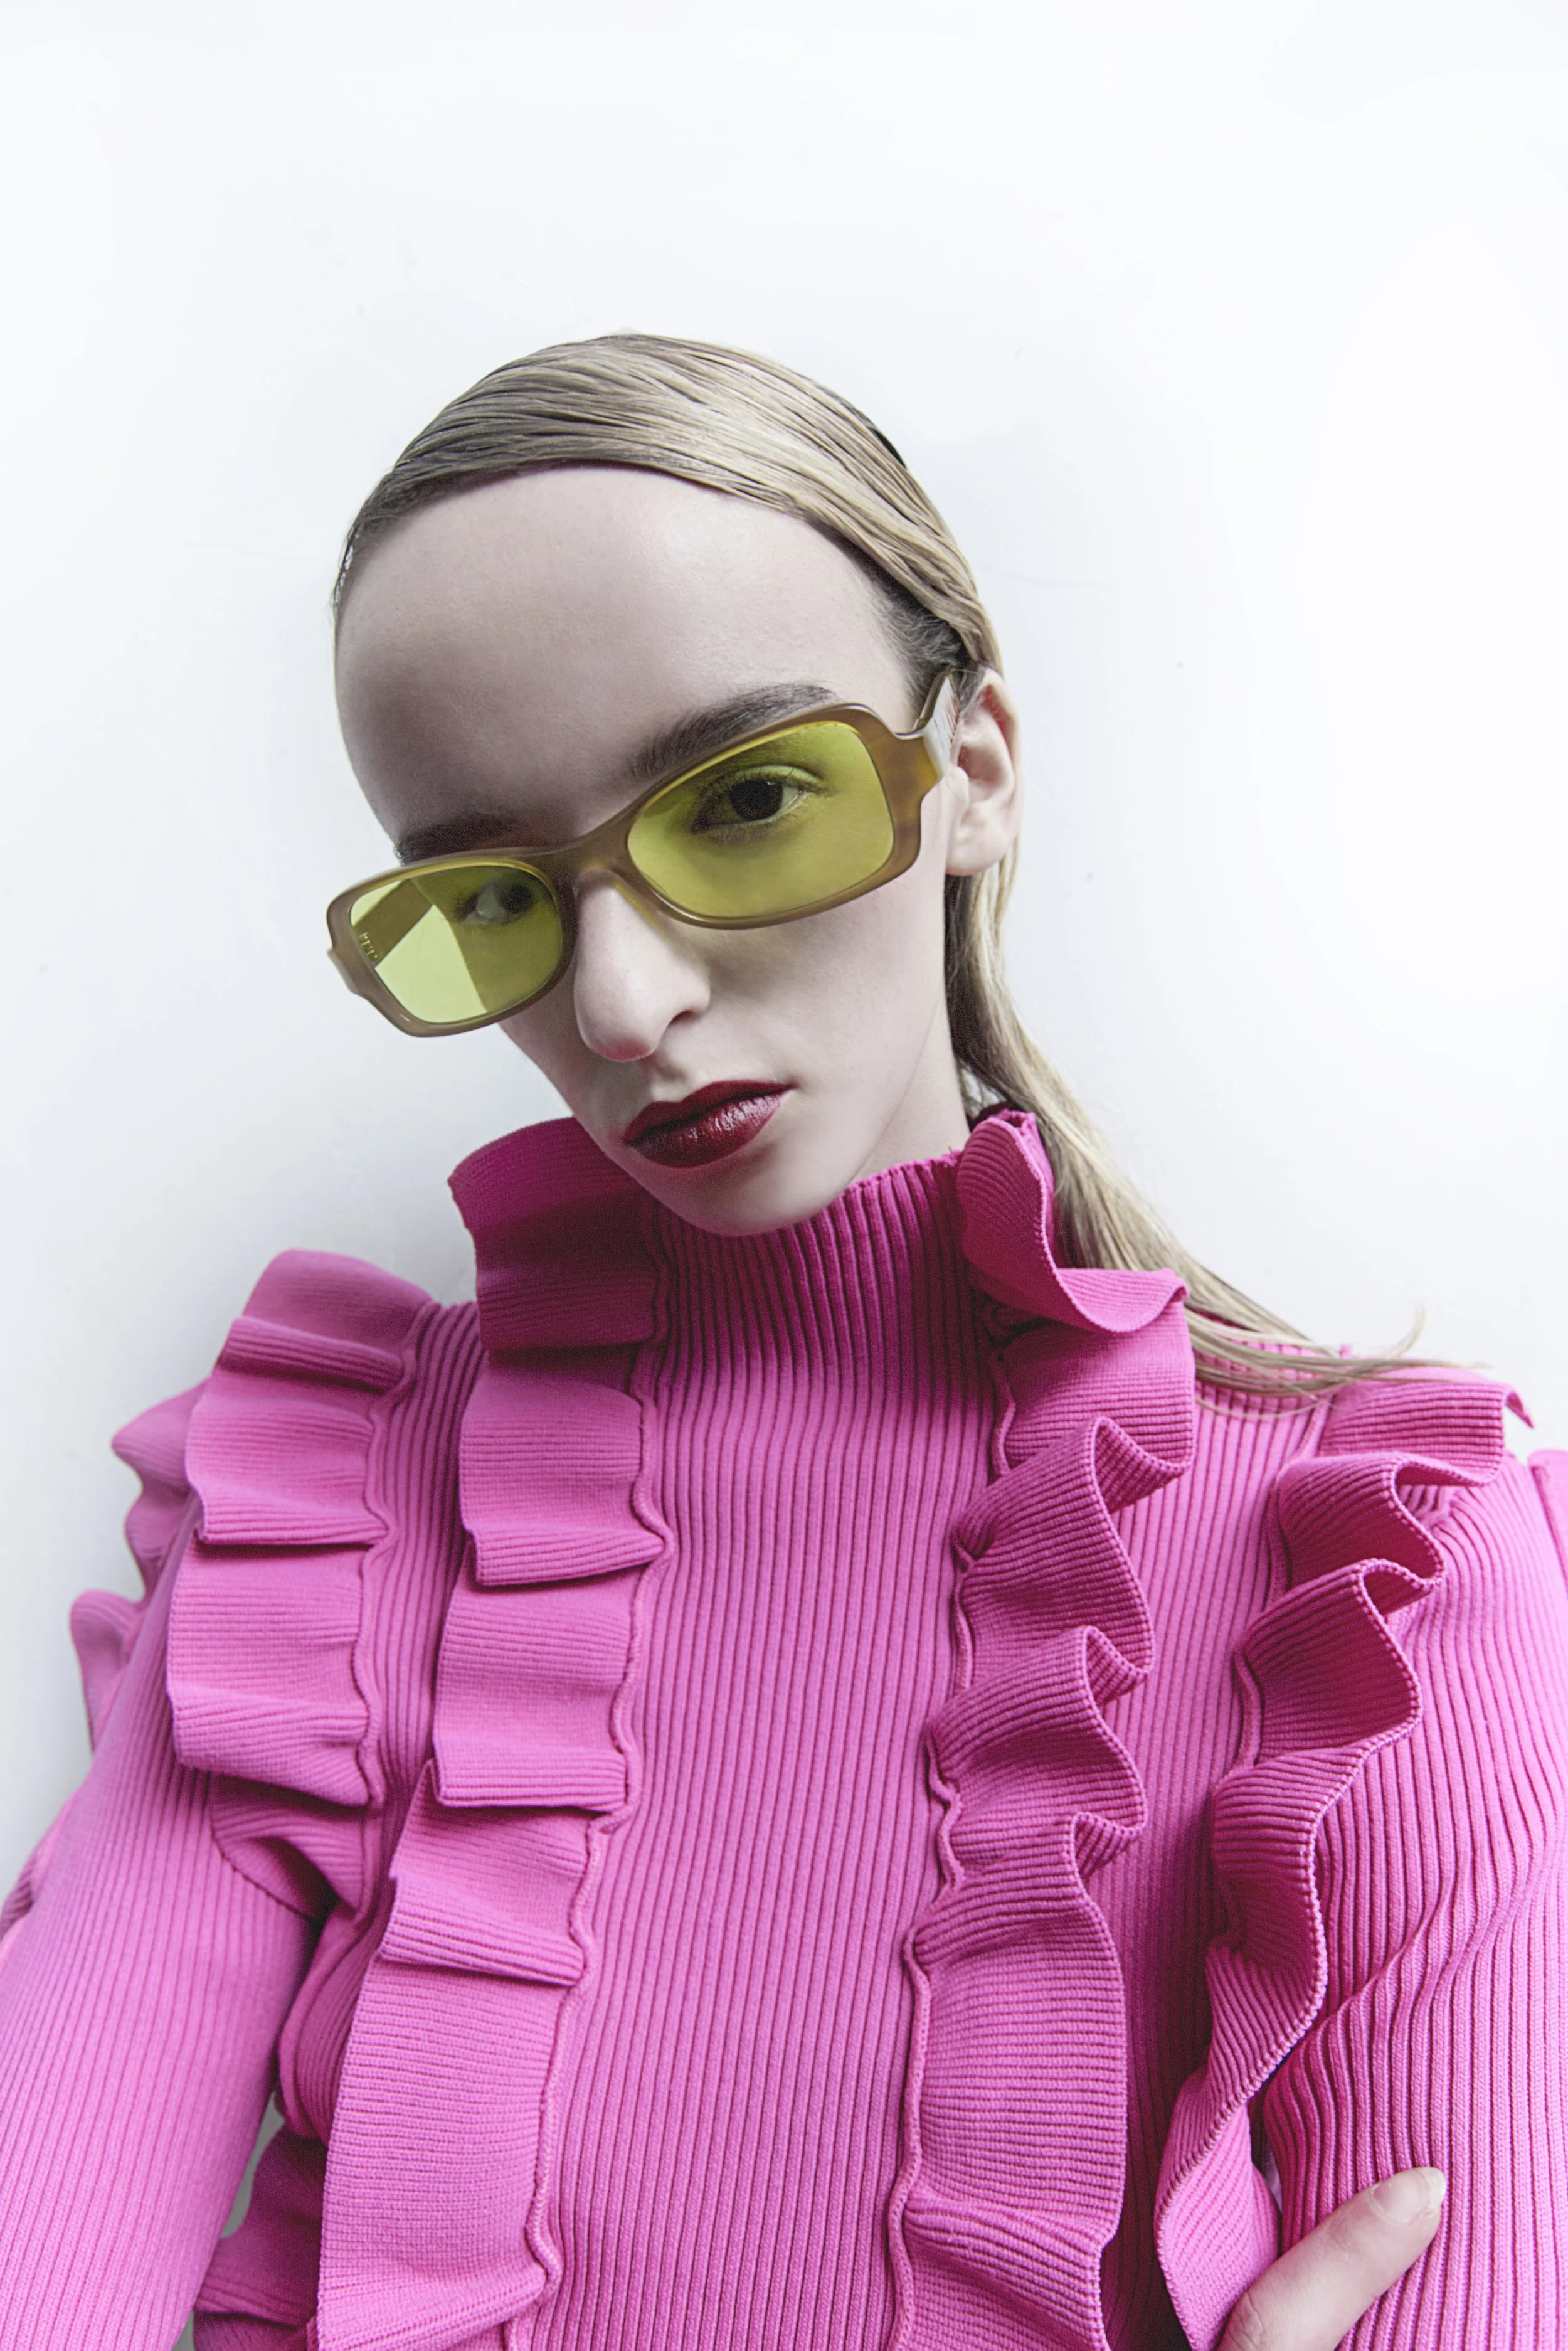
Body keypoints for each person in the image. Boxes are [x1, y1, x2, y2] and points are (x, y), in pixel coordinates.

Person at [0, 336, 1562, 2351]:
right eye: (492, 902)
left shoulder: (1376, 1567)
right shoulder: (323, 1513)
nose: (628, 1003)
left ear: (971, 765)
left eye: (743, 801)